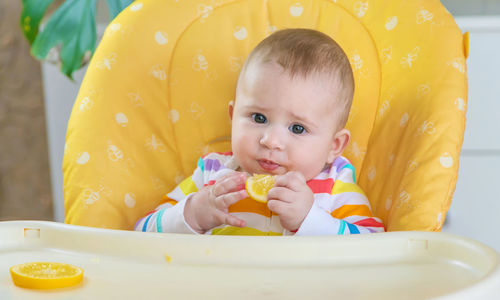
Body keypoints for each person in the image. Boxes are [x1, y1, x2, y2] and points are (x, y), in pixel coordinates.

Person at [134, 28, 384, 235]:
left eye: (298, 128)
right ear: (233, 118)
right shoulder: (212, 174)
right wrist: (191, 214)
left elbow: (375, 250)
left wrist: (309, 220)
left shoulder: (335, 185)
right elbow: (140, 232)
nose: (271, 141)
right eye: (258, 117)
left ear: (334, 146)